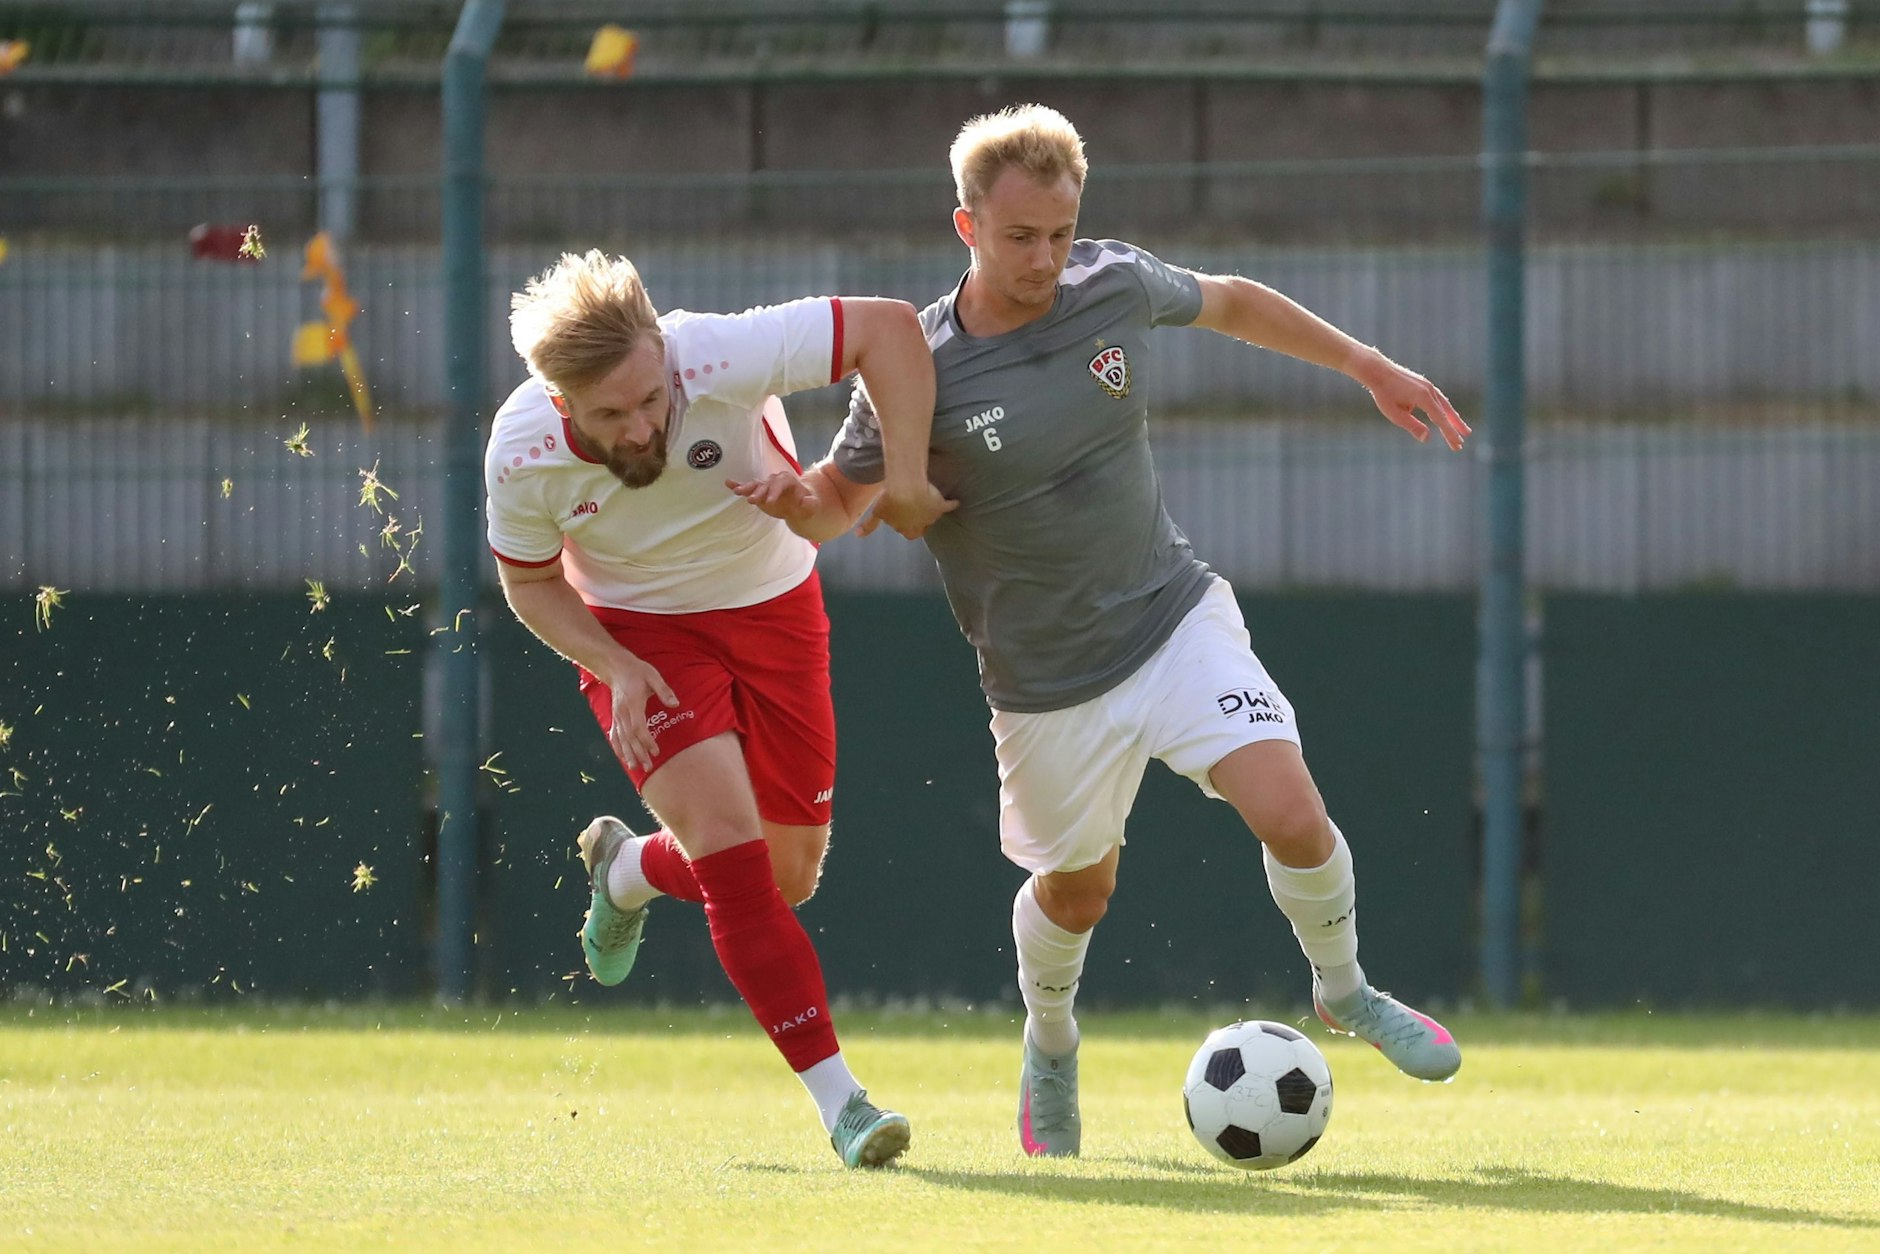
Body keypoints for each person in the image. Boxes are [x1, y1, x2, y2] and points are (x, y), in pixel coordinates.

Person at [731, 105, 1471, 1159]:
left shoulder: (1111, 285)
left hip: (1170, 617)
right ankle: (1050, 1041)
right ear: (965, 227)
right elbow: (831, 504)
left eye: (1060, 234)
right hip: (1041, 686)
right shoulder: (916, 369)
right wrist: (780, 497)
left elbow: (1233, 305)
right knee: (1079, 891)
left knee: (1291, 811)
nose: (1044, 259)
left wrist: (1366, 365)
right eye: (1019, 237)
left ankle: (1344, 990)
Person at [487, 249, 948, 1168]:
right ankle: (844, 1107)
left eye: (651, 397)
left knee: (788, 875)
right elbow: (531, 586)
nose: (644, 424)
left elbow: (892, 330)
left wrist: (901, 474)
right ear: (559, 400)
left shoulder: (716, 352)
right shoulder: (522, 452)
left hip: (775, 606)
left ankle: (631, 870)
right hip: (640, 635)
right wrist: (614, 666)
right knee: (737, 867)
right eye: (611, 414)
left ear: (663, 351)